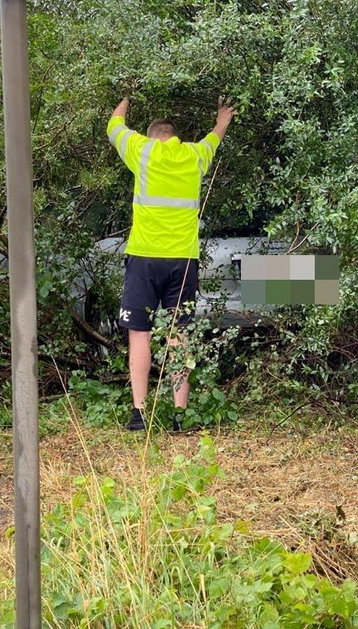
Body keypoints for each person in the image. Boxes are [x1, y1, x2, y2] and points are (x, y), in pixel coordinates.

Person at [107, 95, 235, 431]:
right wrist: (222, 117)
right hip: (183, 259)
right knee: (180, 333)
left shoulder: (142, 151)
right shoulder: (193, 155)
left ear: (151, 136)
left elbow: (114, 126)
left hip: (145, 257)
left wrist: (126, 96)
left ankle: (139, 415)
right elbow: (216, 136)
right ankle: (180, 415)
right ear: (175, 136)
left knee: (139, 334)